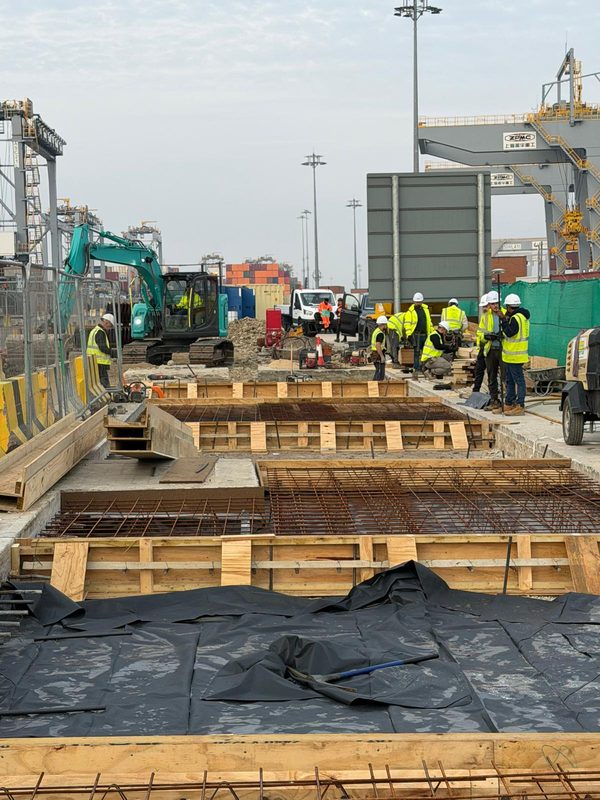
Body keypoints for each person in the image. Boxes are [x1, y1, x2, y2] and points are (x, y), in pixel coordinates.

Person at [498, 293, 530, 416]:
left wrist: (503, 320)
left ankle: (520, 405)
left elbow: (510, 333)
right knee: (510, 380)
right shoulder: (522, 317)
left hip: (515, 355)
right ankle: (509, 403)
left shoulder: (516, 318)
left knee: (518, 380)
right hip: (512, 355)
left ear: (509, 307)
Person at [478, 290, 505, 411]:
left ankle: (507, 401)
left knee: (505, 376)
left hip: (503, 349)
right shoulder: (486, 316)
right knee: (491, 376)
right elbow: (480, 333)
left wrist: (503, 334)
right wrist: (486, 337)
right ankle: (494, 400)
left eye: (496, 303)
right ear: (489, 304)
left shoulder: (504, 314)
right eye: (492, 303)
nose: (495, 305)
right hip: (490, 349)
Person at [402, 292, 432, 373]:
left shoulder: (426, 310)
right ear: (414, 301)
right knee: (417, 352)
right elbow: (407, 324)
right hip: (416, 334)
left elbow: (429, 322)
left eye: (419, 302)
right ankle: (417, 368)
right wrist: (409, 335)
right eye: (416, 302)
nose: (418, 303)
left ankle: (424, 367)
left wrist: (431, 333)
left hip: (425, 334)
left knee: (426, 352)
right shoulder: (410, 312)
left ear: (422, 301)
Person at [86, 313, 115, 388]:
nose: (110, 328)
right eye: (110, 326)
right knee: (103, 381)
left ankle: (104, 395)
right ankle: (107, 395)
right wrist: (113, 352)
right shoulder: (100, 332)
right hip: (100, 362)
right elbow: (102, 348)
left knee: (98, 381)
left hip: (94, 361)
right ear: (106, 322)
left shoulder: (94, 331)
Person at [471, 294, 490, 395]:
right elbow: (480, 333)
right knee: (479, 369)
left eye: (485, 306)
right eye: (483, 306)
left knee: (492, 373)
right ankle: (476, 391)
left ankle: (493, 394)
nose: (484, 308)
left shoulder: (495, 316)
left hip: (491, 348)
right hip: (483, 347)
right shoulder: (484, 316)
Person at [371, 315, 389, 381]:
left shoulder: (376, 331)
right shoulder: (380, 334)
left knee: (378, 371)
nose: (386, 326)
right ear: (383, 325)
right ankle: (375, 387)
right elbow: (378, 345)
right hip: (378, 354)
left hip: (375, 353)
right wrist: (382, 356)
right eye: (385, 325)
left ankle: (376, 385)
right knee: (380, 372)